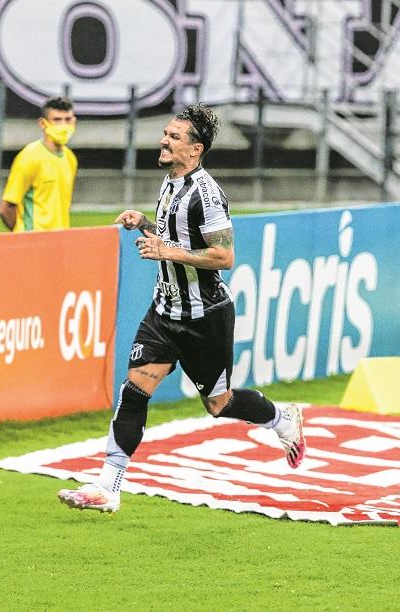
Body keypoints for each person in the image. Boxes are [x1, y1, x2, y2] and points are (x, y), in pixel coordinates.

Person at [57, 103, 306, 513]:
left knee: (218, 404)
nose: (163, 140)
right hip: (164, 313)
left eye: (174, 137)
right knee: (134, 391)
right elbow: (176, 237)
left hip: (204, 317)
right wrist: (146, 225)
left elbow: (223, 257)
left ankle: (281, 418)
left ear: (196, 150)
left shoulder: (207, 195)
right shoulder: (171, 182)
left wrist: (165, 248)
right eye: (166, 134)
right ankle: (109, 486)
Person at [0, 97, 78, 232]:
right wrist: (24, 236)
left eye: (68, 119)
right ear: (43, 123)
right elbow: (7, 207)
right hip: (34, 241)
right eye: (57, 120)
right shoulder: (29, 157)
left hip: (61, 240)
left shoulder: (70, 158)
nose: (63, 125)